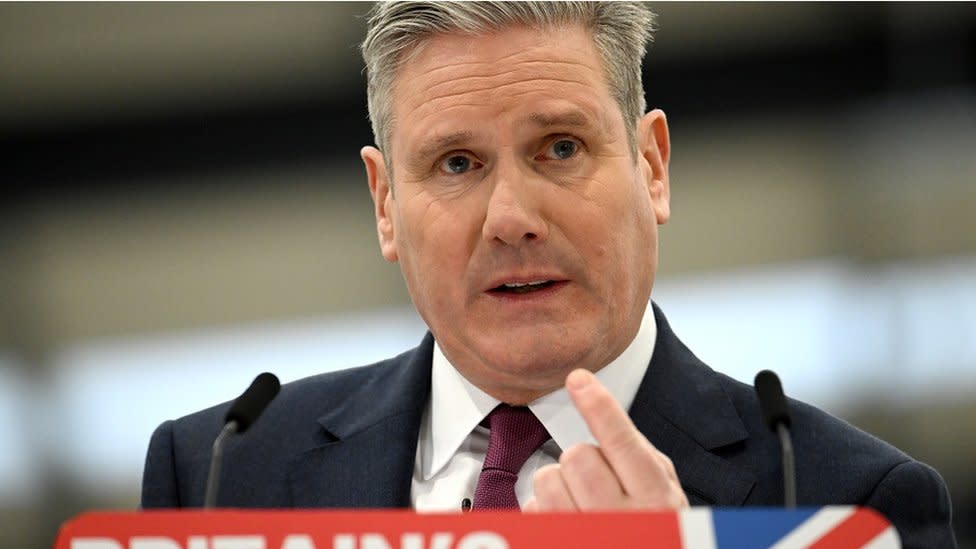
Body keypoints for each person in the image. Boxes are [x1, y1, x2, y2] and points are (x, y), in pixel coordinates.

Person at [141, 2, 956, 547]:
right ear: (386, 204)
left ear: (652, 165)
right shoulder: (217, 474)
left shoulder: (846, 504)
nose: (510, 216)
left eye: (559, 148)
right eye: (456, 163)